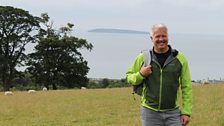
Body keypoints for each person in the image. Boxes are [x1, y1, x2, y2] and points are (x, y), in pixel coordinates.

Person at [126, 23, 192, 126]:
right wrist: (141, 74)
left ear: (168, 37)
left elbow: (186, 86)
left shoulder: (180, 58)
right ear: (151, 38)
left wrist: (186, 112)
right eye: (157, 36)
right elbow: (129, 77)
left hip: (173, 113)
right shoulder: (143, 57)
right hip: (149, 112)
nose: (161, 39)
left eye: (164, 36)